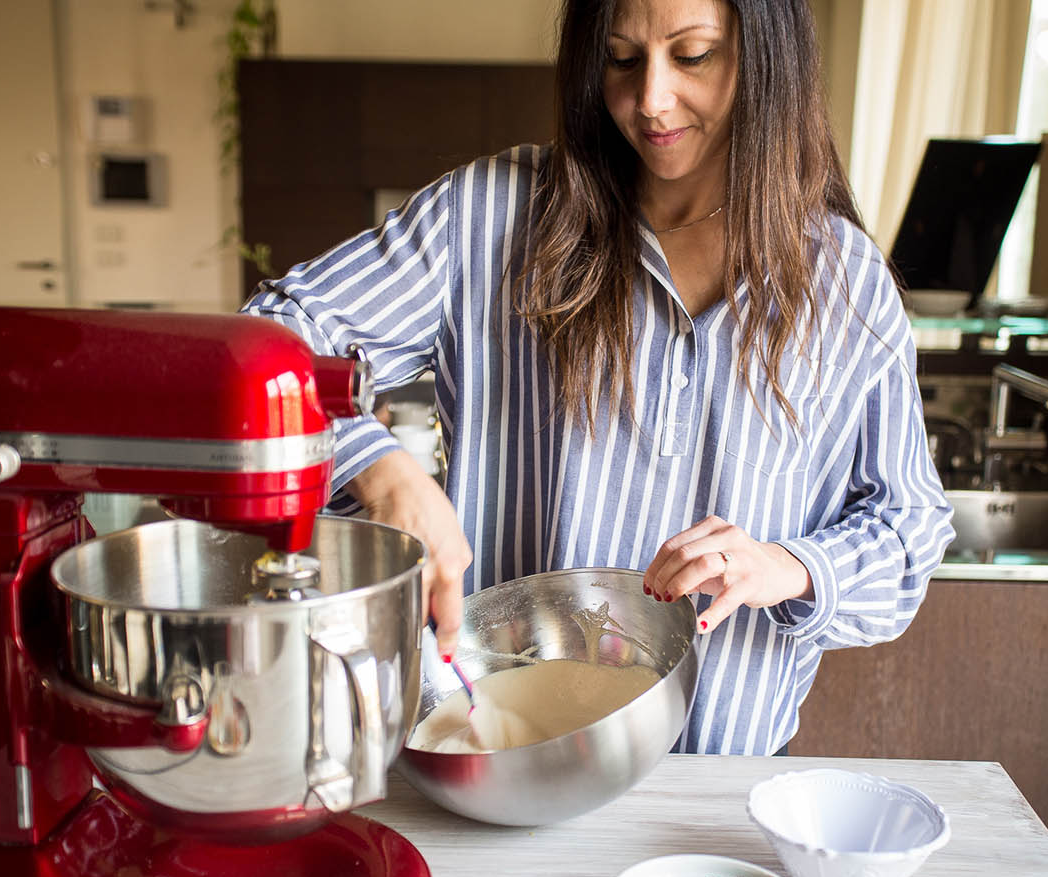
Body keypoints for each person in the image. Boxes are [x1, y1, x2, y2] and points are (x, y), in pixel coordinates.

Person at [243, 0, 955, 756]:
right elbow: (267, 341)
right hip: (499, 769)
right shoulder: (489, 216)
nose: (649, 100)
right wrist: (380, 468)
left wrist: (791, 566)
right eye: (621, 58)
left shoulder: (844, 280)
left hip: (716, 799)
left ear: (767, 57)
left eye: (693, 55)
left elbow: (909, 529)